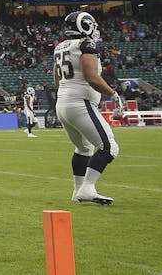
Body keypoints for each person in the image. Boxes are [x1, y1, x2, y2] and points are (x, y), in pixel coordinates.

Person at [53, 11, 124, 205]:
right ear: (85, 26)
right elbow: (92, 78)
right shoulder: (86, 45)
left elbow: (57, 79)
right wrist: (113, 94)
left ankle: (77, 191)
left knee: (84, 148)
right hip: (79, 102)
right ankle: (87, 188)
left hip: (63, 102)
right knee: (109, 147)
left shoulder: (60, 46)